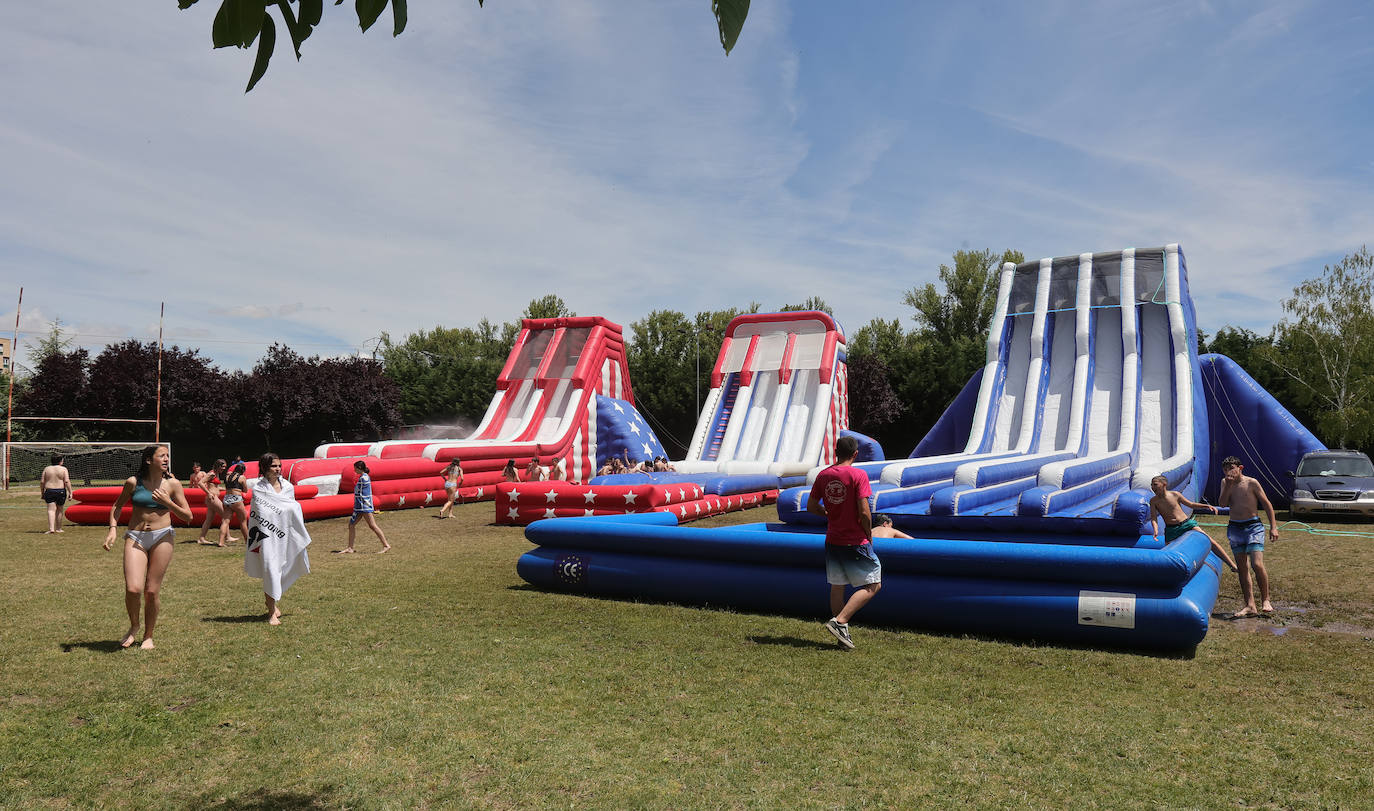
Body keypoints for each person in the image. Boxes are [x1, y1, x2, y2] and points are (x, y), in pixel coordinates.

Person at [101, 444, 193, 649]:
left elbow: (188, 516)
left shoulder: (173, 484)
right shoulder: (133, 482)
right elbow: (117, 506)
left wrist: (168, 502)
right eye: (162, 456)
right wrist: (113, 529)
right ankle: (134, 626)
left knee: (151, 591)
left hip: (163, 537)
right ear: (149, 460)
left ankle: (148, 635)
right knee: (133, 588)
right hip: (136, 536)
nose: (166, 459)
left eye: (167, 456)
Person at [807, 435, 879, 650]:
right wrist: (869, 533)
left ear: (835, 452)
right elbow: (864, 511)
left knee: (837, 586)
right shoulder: (858, 475)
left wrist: (828, 513)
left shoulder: (824, 475)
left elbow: (811, 506)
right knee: (874, 583)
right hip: (855, 539)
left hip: (833, 539)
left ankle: (841, 639)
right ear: (855, 454)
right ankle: (840, 621)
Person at [245, 452, 312, 625]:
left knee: (283, 568)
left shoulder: (288, 487)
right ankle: (271, 612)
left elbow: (293, 510)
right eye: (273, 466)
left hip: (285, 537)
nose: (277, 469)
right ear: (265, 468)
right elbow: (260, 514)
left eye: (279, 466)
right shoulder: (260, 489)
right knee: (270, 569)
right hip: (267, 538)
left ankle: (272, 604)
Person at [1218, 456, 1279, 618]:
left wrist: (1273, 526)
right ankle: (1250, 605)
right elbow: (1223, 504)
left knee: (1257, 564)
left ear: (1240, 468)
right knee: (1242, 568)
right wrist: (1229, 485)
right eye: (1225, 469)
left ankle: (1266, 600)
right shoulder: (1225, 483)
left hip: (1253, 526)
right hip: (1235, 528)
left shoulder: (1251, 482)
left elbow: (1266, 503)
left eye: (1231, 468)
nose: (1228, 472)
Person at [1147, 475, 1236, 571]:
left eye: (1155, 484)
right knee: (1169, 554)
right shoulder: (1154, 501)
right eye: (1151, 485)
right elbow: (1154, 518)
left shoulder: (1175, 495)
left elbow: (1191, 504)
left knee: (1210, 541)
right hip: (1171, 529)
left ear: (1164, 484)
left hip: (1186, 524)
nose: (1153, 487)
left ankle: (1232, 565)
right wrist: (1155, 530)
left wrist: (1205, 506)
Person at [343, 460, 390, 553]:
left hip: (364, 507)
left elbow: (362, 493)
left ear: (359, 468)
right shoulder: (363, 477)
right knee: (351, 525)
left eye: (355, 468)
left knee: (372, 525)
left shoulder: (364, 478)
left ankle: (386, 545)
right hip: (360, 507)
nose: (354, 470)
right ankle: (350, 548)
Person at [196, 459, 227, 546]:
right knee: (225, 516)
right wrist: (208, 493)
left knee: (209, 520)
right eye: (223, 466)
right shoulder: (211, 473)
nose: (224, 468)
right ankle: (227, 537)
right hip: (212, 497)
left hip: (212, 497)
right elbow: (200, 483)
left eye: (225, 467)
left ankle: (201, 538)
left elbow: (214, 486)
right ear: (218, 466)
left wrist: (223, 489)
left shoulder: (216, 474)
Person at [218, 461, 249, 545]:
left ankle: (221, 542)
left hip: (226, 498)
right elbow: (245, 490)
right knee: (243, 521)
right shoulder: (242, 477)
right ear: (243, 471)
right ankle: (247, 541)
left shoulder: (227, 476)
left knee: (225, 521)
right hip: (236, 499)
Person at [40, 454, 72, 534]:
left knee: (51, 510)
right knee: (59, 510)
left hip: (49, 490)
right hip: (60, 491)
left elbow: (42, 482)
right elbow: (67, 481)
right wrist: (70, 492)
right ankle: (58, 528)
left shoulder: (47, 469)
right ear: (60, 461)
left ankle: (51, 529)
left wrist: (42, 492)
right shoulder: (63, 469)